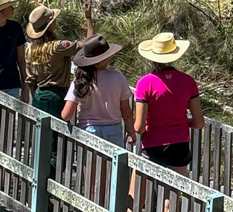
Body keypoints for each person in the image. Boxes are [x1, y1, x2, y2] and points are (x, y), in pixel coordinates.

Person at [133, 32, 204, 175]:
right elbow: (199, 123)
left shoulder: (145, 83)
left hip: (153, 144)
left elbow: (139, 128)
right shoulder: (188, 81)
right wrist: (181, 122)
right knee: (170, 195)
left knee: (137, 192)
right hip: (179, 145)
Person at [61, 35, 135, 147]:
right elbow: (126, 111)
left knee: (89, 164)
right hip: (113, 130)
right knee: (111, 164)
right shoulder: (118, 78)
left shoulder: (81, 81)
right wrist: (131, 131)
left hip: (88, 130)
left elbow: (66, 115)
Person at [26, 2, 95, 118]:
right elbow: (89, 44)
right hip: (57, 97)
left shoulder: (30, 50)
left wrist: (36, 95)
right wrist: (88, 17)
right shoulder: (58, 47)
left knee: (39, 132)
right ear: (51, 24)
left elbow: (30, 80)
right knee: (57, 133)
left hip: (39, 96)